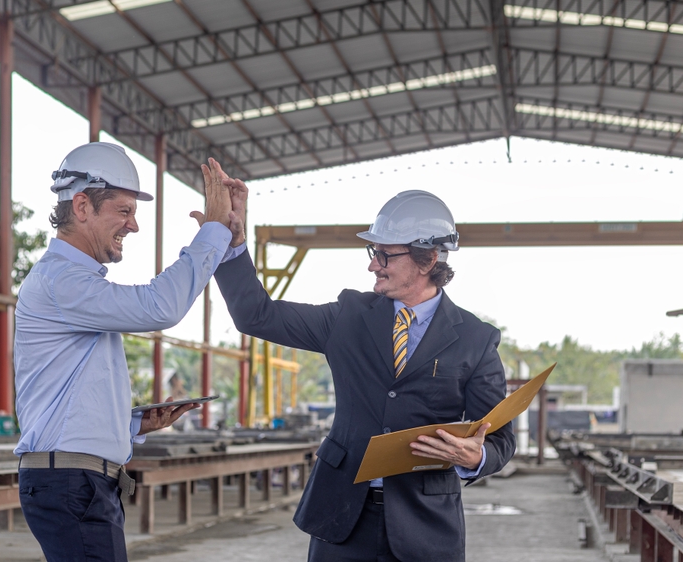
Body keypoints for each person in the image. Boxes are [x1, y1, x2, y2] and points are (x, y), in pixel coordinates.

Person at [213, 176, 516, 561]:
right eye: (373, 252)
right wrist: (233, 244)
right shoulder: (348, 317)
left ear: (428, 258)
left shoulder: (476, 339)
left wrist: (476, 459)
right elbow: (256, 316)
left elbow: (500, 439)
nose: (374, 264)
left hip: (426, 530)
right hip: (341, 520)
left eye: (386, 255)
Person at [13, 142, 243, 561]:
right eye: (124, 211)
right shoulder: (62, 281)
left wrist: (131, 424)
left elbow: (71, 395)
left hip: (76, 481)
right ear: (81, 207)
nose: (133, 226)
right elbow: (161, 305)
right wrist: (213, 230)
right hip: (72, 483)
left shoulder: (71, 285)